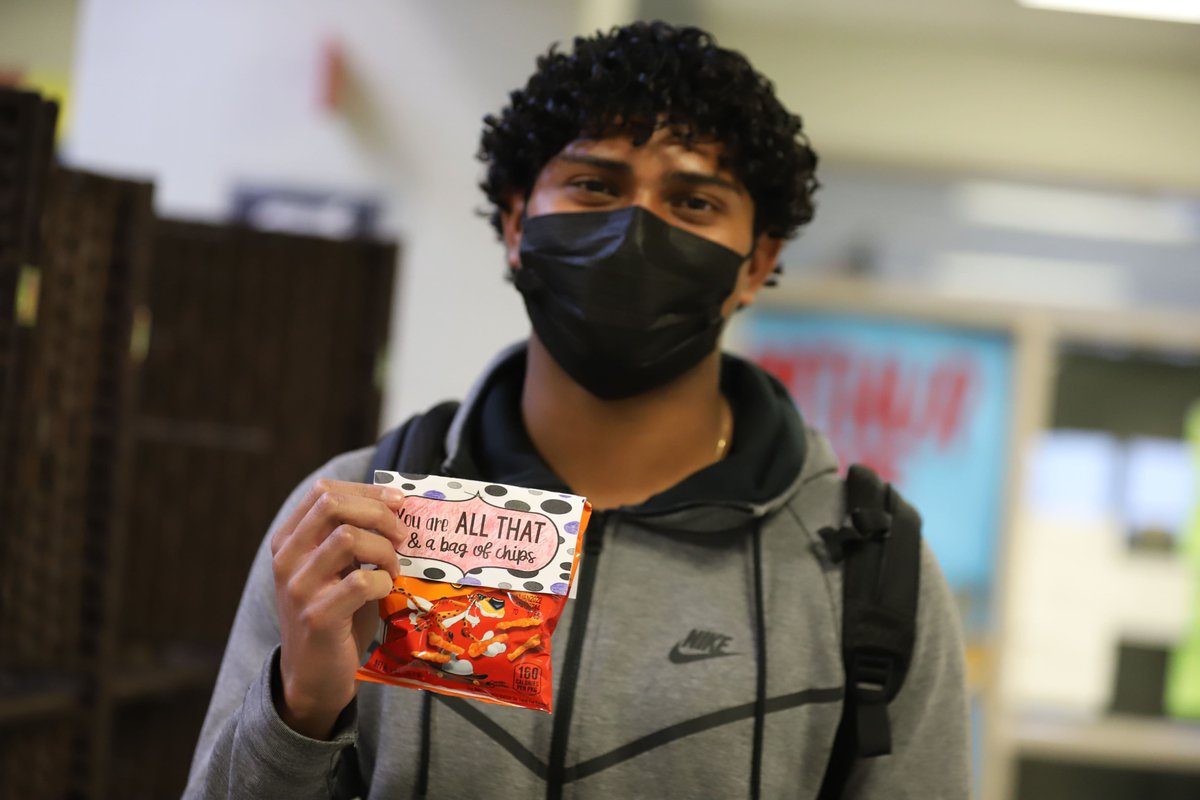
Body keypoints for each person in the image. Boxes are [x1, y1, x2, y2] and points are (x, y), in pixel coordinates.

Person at [185, 21, 968, 799]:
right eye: (595, 185)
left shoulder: (860, 565)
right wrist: (302, 707)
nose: (635, 230)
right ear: (518, 223)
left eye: (692, 201)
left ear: (756, 262)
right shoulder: (356, 520)